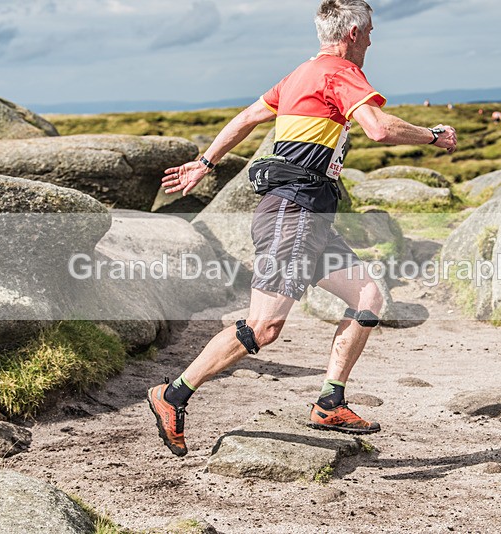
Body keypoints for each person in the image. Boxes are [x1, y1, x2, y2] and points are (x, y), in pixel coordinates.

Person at [147, 0, 458, 457]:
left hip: (309, 217)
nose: (372, 39)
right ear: (352, 32)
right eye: (369, 30)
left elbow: (248, 117)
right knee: (263, 327)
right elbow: (376, 129)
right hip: (293, 214)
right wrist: (433, 136)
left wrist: (204, 163)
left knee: (368, 297)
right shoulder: (337, 72)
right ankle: (172, 394)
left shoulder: (298, 75)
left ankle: (330, 402)